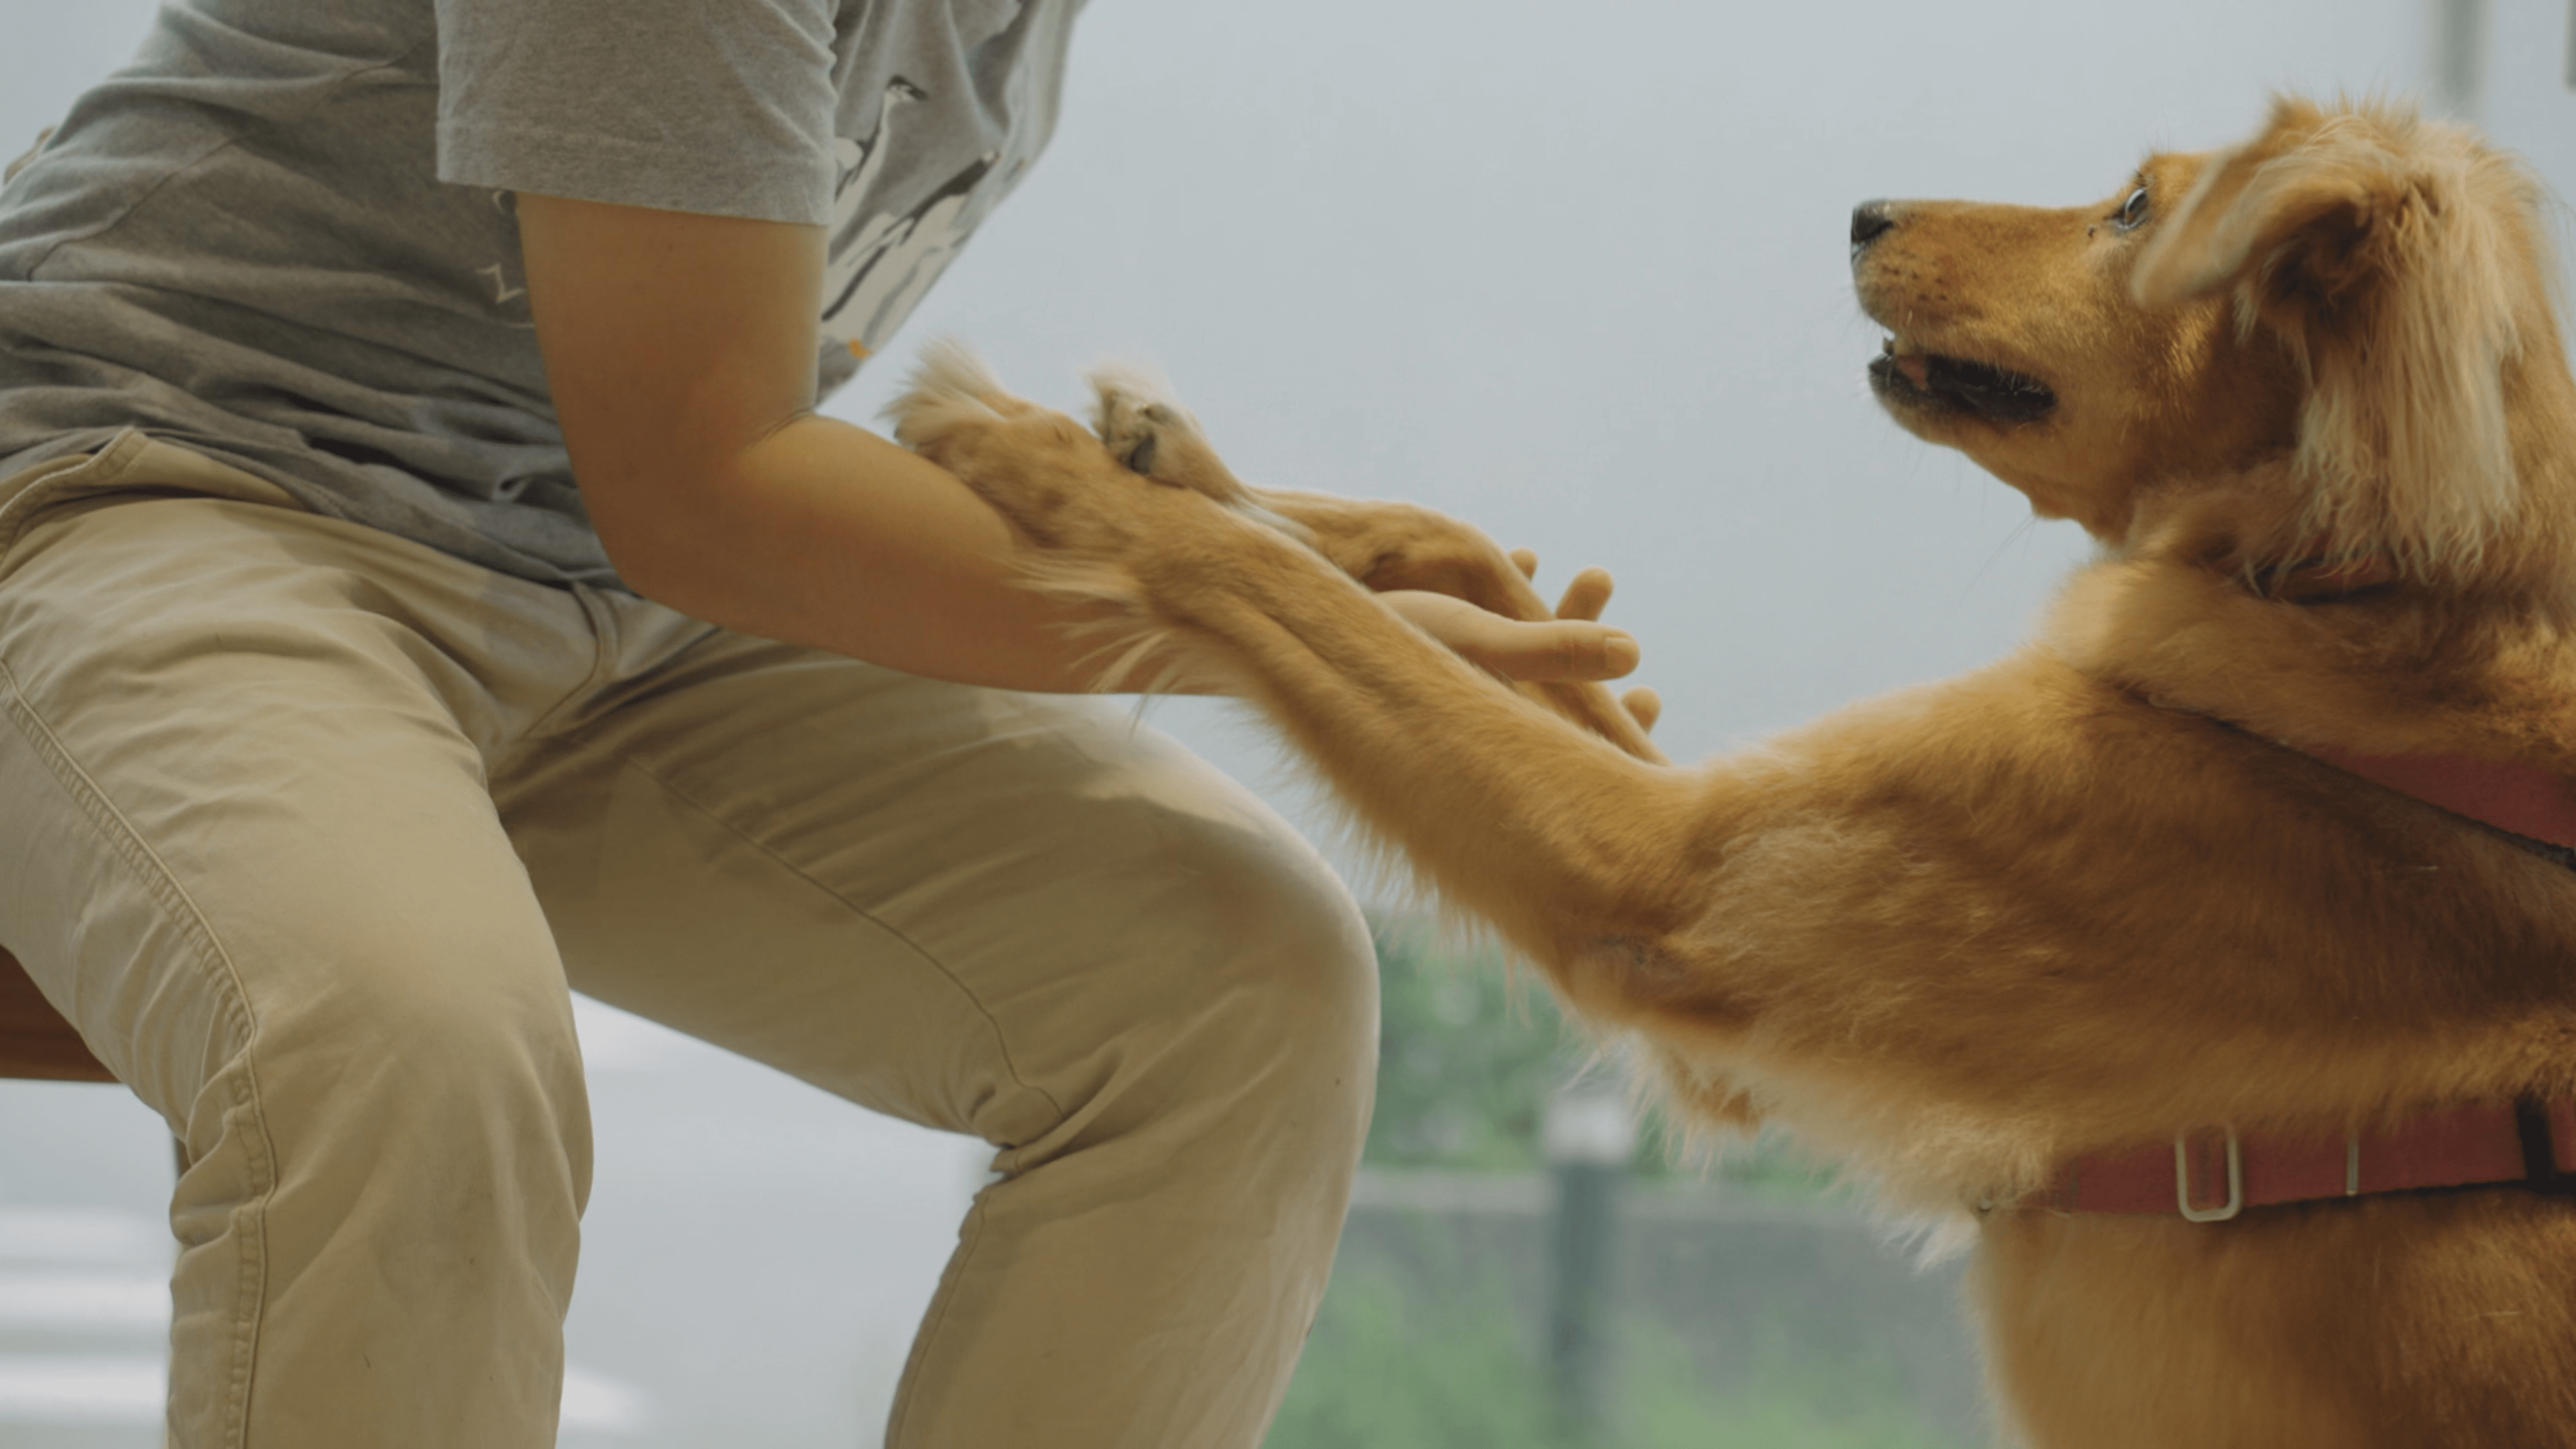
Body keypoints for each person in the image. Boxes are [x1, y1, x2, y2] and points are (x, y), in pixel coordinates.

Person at [0, 2, 1642, 1445]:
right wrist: (1318, 638)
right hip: (153, 483)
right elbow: (711, 487)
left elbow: (698, 398)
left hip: (589, 580)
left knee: (1241, 984)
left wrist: (1318, 565)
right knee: (407, 1044)